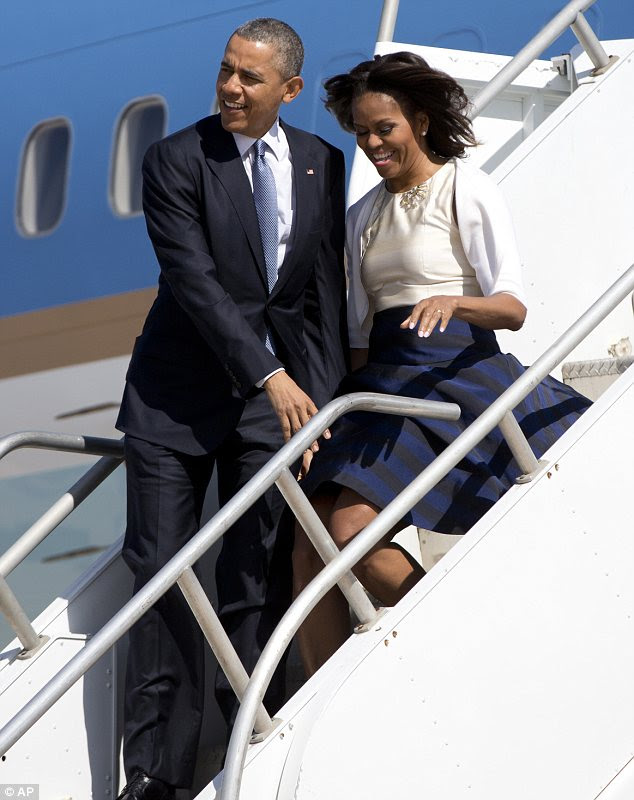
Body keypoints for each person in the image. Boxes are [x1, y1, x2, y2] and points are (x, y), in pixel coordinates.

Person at [292, 51, 591, 675]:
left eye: (385, 129)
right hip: (380, 384)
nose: (372, 144)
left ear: (421, 122)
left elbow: (512, 308)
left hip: (453, 373)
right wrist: (332, 420)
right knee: (308, 538)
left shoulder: (465, 186)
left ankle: (450, 644)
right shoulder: (361, 216)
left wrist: (456, 302)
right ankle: (314, 702)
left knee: (350, 532)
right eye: (361, 132)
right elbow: (359, 336)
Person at [114, 18, 347, 800]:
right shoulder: (176, 158)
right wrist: (270, 376)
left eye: (250, 77)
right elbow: (195, 284)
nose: (230, 88)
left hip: (270, 408)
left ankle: (249, 751)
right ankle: (156, 774)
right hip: (174, 401)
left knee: (256, 577)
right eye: (226, 71)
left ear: (291, 89)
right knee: (162, 578)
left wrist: (319, 405)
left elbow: (320, 297)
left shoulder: (320, 162)